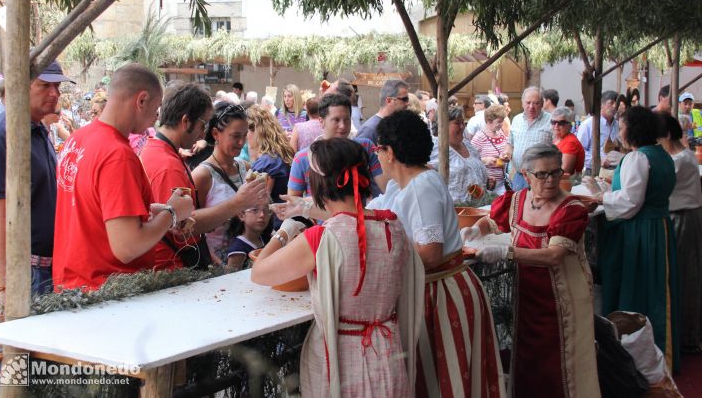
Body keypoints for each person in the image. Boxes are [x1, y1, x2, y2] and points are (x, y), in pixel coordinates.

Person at [252, 137, 423, 398]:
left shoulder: (322, 238)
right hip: (389, 351)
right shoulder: (394, 227)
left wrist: (286, 231)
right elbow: (354, 219)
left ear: (319, 185)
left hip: (340, 358)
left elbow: (259, 273)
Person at [367, 110, 504, 398]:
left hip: (441, 294)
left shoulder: (421, 186)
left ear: (389, 152)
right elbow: (370, 213)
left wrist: (381, 257)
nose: (377, 156)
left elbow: (430, 253)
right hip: (435, 290)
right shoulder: (403, 184)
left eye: (378, 149)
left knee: (444, 382)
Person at [468, 143, 600, 398]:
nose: (550, 180)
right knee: (529, 356)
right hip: (528, 295)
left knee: (564, 362)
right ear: (526, 175)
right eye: (541, 174)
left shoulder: (571, 210)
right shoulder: (516, 200)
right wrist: (476, 229)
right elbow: (493, 222)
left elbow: (553, 256)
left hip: (564, 299)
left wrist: (506, 253)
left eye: (555, 172)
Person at [53, 64, 194, 290]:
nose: (155, 120)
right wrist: (171, 213)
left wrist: (158, 213)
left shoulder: (77, 138)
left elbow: (94, 208)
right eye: (156, 109)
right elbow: (127, 247)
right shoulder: (117, 154)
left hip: (73, 285)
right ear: (142, 100)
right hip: (106, 292)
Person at [0, 61, 73, 323]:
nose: (55, 93)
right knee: (17, 359)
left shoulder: (39, 129)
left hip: (46, 269)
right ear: (20, 86)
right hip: (23, 273)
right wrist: (6, 287)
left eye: (57, 85)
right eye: (44, 85)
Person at [589, 106, 680, 372]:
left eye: (623, 125)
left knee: (640, 288)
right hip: (658, 228)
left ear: (634, 129)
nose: (620, 130)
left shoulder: (638, 158)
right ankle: (661, 355)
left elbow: (630, 201)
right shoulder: (662, 155)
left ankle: (640, 360)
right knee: (656, 287)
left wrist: (601, 198)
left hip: (640, 232)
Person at [139, 83, 214, 269]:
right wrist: (237, 203)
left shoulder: (157, 150)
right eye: (203, 125)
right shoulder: (167, 165)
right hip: (174, 266)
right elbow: (183, 230)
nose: (203, 133)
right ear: (186, 121)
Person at [191, 103, 268, 263]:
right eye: (235, 136)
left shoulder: (245, 167)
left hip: (248, 258)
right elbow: (190, 226)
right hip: (218, 265)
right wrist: (217, 266)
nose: (241, 142)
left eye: (244, 135)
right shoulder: (202, 175)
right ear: (215, 134)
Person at [659, 113, 702, 354]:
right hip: (685, 215)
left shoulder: (680, 160)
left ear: (666, 136)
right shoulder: (682, 155)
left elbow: (659, 183)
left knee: (686, 275)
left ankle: (687, 334)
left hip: (684, 217)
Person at [287, 94, 385, 198]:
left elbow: (385, 186)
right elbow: (293, 200)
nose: (342, 126)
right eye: (336, 120)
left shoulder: (365, 147)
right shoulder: (303, 158)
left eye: (346, 120)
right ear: (321, 122)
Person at [428, 106, 490, 202]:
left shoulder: (468, 145)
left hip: (479, 208)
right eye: (457, 123)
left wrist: (487, 181)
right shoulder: (435, 148)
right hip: (453, 211)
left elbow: (473, 173)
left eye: (463, 122)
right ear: (443, 125)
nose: (462, 126)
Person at [503, 87, 552, 190]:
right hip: (519, 177)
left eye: (536, 103)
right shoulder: (517, 119)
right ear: (522, 103)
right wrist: (507, 153)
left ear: (542, 104)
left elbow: (558, 148)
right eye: (528, 102)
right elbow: (510, 144)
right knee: (518, 204)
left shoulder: (551, 121)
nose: (531, 107)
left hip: (541, 179)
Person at [246, 105, 294, 204]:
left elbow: (256, 202)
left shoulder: (266, 162)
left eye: (243, 132)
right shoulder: (281, 153)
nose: (243, 138)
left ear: (255, 130)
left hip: (274, 216)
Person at [576, 90, 619, 173]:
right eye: (611, 103)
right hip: (594, 170)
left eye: (616, 103)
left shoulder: (618, 125)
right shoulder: (588, 124)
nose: (614, 106)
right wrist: (598, 161)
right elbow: (580, 151)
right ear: (601, 105)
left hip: (615, 170)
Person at [471, 104, 509, 195]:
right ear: (489, 121)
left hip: (503, 183)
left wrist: (506, 155)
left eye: (502, 121)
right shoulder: (479, 137)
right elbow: (469, 161)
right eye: (499, 122)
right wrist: (484, 160)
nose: (501, 124)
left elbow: (507, 148)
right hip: (489, 185)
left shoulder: (500, 133)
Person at [357, 79, 409, 143]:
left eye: (407, 99)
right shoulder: (369, 130)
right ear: (389, 101)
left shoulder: (397, 124)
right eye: (404, 99)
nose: (408, 103)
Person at [224, 205, 273, 271]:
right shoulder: (238, 250)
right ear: (242, 216)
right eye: (255, 210)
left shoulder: (267, 238)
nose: (262, 215)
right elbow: (232, 278)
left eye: (266, 210)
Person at [551, 107, 585, 175]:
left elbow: (564, 172)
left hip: (567, 183)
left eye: (561, 123)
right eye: (554, 122)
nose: (556, 125)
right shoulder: (558, 139)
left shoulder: (571, 142)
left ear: (569, 125)